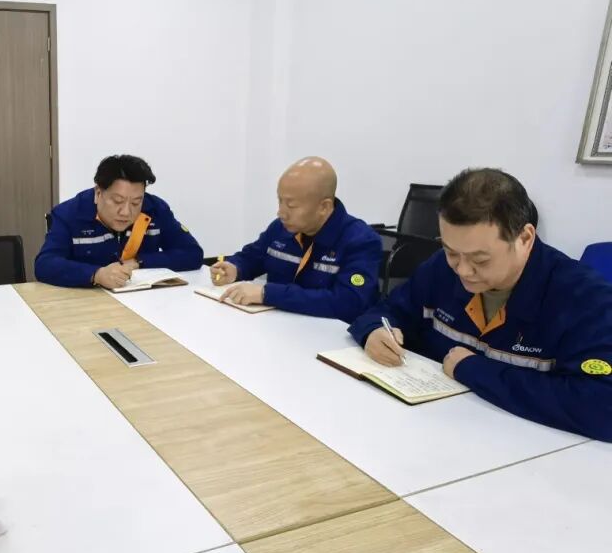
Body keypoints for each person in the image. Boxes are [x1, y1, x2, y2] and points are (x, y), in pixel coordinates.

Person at [349, 168, 612, 441]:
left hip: (524, 447)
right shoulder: (442, 268)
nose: (463, 270)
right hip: (431, 430)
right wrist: (373, 330)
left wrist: (473, 370)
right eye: (451, 252)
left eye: (480, 259)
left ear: (524, 239)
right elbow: (388, 309)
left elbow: (603, 407)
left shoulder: (584, 299)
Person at [211, 157, 381, 321]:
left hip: (326, 335)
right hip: (277, 326)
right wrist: (235, 268)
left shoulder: (361, 241)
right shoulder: (281, 227)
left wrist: (267, 294)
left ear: (324, 207)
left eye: (291, 205)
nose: (281, 213)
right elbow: (253, 257)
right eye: (280, 201)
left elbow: (348, 303)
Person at [34, 155, 203, 289]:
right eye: (117, 201)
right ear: (98, 193)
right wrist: (96, 275)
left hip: (144, 301)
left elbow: (192, 253)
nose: (126, 212)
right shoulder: (69, 214)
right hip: (85, 302)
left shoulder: (156, 209)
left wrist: (139, 262)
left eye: (136, 202)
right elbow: (45, 264)